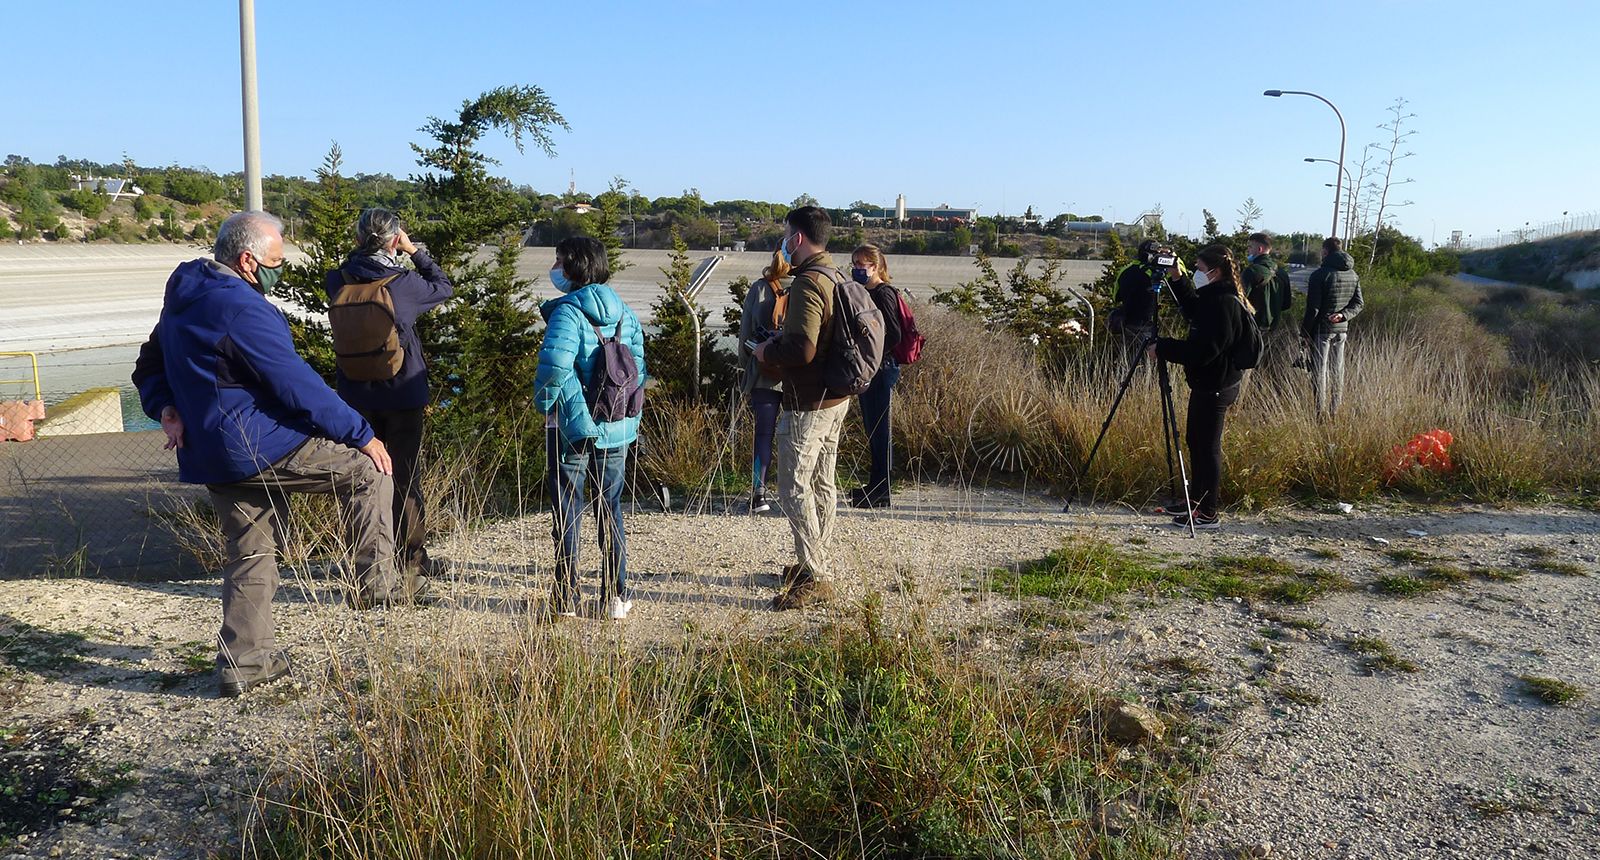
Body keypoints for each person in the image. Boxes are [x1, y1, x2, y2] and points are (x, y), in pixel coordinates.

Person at [132, 211, 420, 698]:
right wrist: (361, 433)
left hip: (210, 452)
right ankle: (377, 584)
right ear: (248, 261)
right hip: (257, 446)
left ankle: (245, 661)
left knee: (250, 553)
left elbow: (148, 363)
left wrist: (164, 407)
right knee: (371, 470)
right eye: (275, 262)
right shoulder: (244, 309)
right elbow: (297, 386)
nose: (278, 271)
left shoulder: (184, 295)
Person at [326, 208, 454, 578]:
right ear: (394, 240)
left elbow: (350, 268)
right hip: (402, 393)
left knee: (363, 479)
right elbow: (443, 285)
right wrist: (415, 251)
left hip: (355, 395)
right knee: (405, 476)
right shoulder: (404, 285)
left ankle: (368, 563)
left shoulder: (338, 280)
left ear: (357, 240)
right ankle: (411, 562)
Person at [533, 236, 646, 621]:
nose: (556, 267)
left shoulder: (567, 313)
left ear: (572, 266)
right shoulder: (625, 313)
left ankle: (566, 598)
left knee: (568, 510)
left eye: (558, 259)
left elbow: (554, 371)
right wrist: (627, 419)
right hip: (617, 427)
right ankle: (616, 596)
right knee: (609, 507)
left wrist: (552, 412)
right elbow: (638, 370)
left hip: (571, 431)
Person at [753, 206, 848, 610]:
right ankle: (816, 562)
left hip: (808, 400)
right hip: (836, 397)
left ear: (798, 238)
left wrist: (765, 349)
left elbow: (803, 348)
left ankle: (815, 573)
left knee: (793, 486)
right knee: (823, 482)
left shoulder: (809, 283)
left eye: (786, 235)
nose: (784, 242)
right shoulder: (836, 275)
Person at [1151, 244, 1255, 530]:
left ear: (1214, 270)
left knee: (1207, 447)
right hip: (1212, 381)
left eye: (1197, 268)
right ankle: (1194, 500)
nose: (1195, 272)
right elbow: (1193, 310)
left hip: (1217, 384)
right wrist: (1176, 275)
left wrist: (1164, 348)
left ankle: (1207, 513)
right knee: (1196, 441)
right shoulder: (1216, 297)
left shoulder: (1223, 303)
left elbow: (1203, 351)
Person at [847, 244, 903, 509]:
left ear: (876, 266)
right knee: (872, 428)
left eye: (863, 264)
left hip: (881, 368)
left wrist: (872, 354)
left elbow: (893, 333)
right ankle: (876, 485)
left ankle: (882, 489)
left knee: (880, 428)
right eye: (855, 263)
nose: (858, 268)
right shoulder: (865, 292)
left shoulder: (883, 293)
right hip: (870, 367)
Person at [738, 248, 789, 514]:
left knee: (764, 434)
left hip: (764, 373)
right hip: (798, 373)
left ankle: (759, 493)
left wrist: (748, 365)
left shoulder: (760, 288)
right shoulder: (808, 285)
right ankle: (796, 491)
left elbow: (745, 334)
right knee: (798, 435)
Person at [1302, 237, 1364, 419]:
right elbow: (1359, 303)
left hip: (1322, 330)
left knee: (1319, 371)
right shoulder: (1353, 274)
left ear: (1326, 251)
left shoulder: (1320, 275)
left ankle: (1320, 413)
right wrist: (1343, 315)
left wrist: (1305, 333)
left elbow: (1312, 309)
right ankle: (1334, 409)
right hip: (1342, 329)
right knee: (1338, 370)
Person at [1112, 240, 1168, 364]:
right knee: (1149, 360)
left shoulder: (1125, 270)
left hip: (1127, 321)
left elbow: (1115, 296)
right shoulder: (1154, 273)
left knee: (1128, 359)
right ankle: (1146, 381)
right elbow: (1180, 278)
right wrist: (1172, 259)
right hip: (1148, 323)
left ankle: (1126, 380)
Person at [1241, 232, 1292, 364]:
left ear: (1259, 249)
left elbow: (1240, 300)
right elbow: (1286, 304)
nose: (1248, 250)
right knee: (1266, 366)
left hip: (1253, 326)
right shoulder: (1282, 273)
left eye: (1250, 247)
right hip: (1273, 327)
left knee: (1247, 365)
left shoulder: (1251, 271)